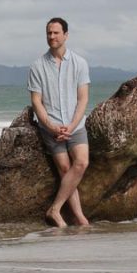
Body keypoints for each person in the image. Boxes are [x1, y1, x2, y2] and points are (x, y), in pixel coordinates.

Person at [27, 17, 90, 227]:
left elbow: (83, 99)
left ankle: (55, 208)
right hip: (50, 125)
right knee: (64, 168)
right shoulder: (37, 66)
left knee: (81, 163)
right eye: (49, 33)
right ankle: (79, 217)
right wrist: (51, 126)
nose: (52, 37)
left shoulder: (80, 63)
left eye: (56, 33)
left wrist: (71, 126)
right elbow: (36, 102)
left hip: (75, 125)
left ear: (66, 35)